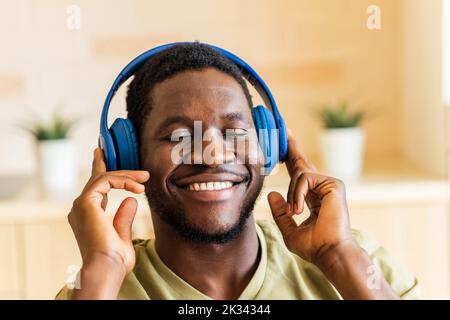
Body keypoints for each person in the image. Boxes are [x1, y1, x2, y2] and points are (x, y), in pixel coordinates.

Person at [56, 43, 419, 300]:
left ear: (268, 145)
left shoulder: (356, 258)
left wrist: (339, 256)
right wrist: (102, 270)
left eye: (235, 130)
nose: (214, 154)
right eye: (179, 135)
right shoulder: (99, 285)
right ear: (130, 157)